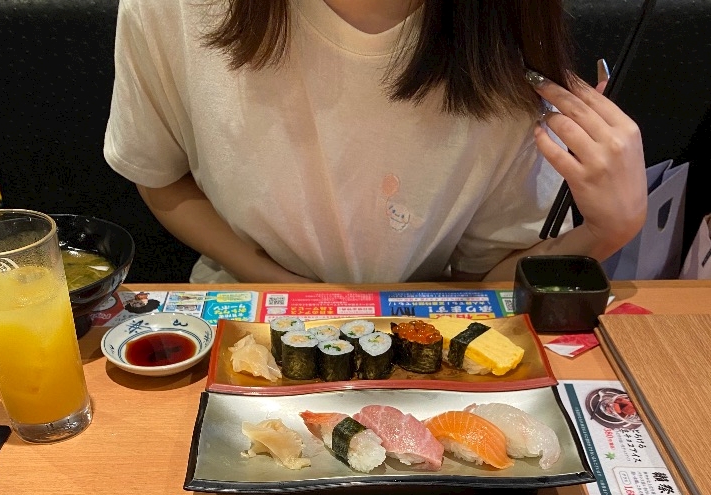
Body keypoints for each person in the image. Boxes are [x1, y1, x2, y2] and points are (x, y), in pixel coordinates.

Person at [105, 0, 646, 285]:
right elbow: (160, 177)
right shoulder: (171, 12)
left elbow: (485, 281)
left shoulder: (504, 30)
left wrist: (607, 231)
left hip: (423, 333)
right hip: (242, 310)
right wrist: (268, 277)